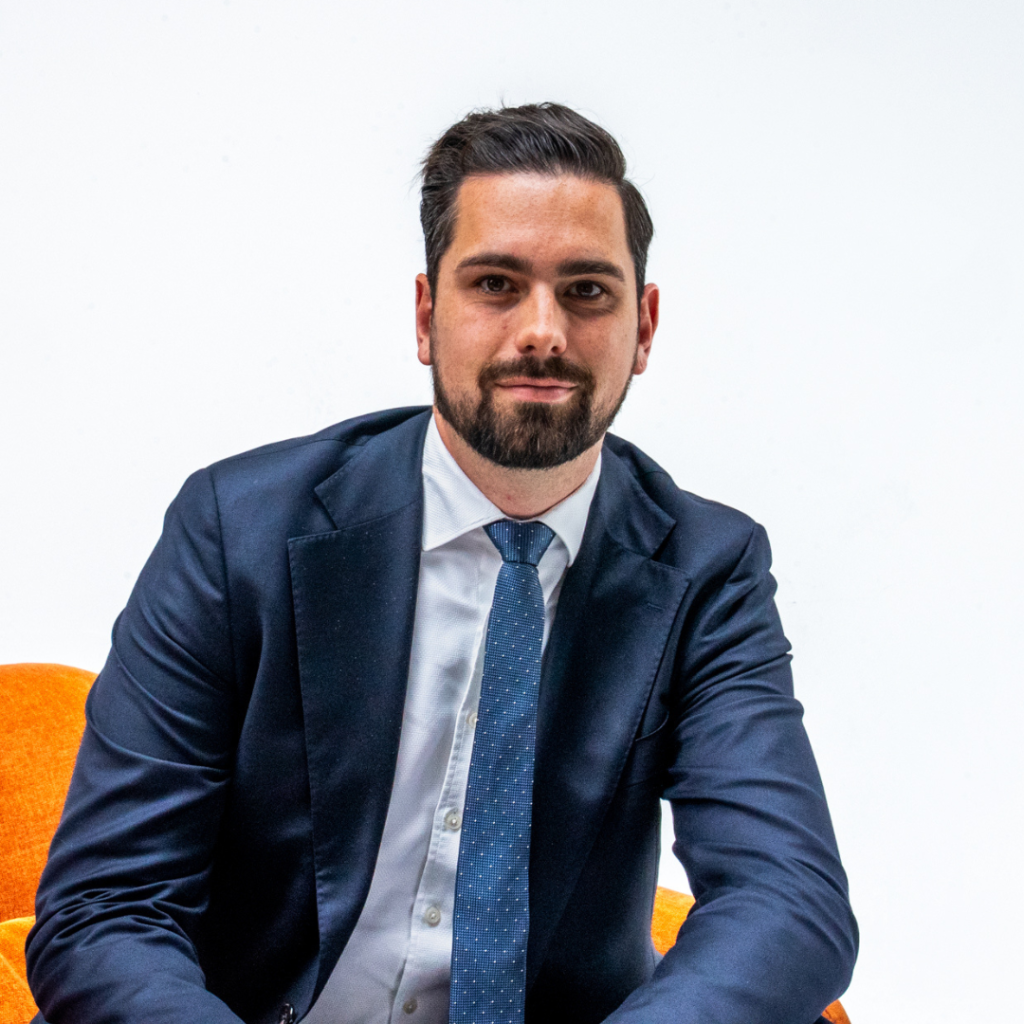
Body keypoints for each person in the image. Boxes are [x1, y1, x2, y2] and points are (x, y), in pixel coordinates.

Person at [27, 103, 857, 1024]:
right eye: (496, 284)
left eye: (587, 291)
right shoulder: (239, 530)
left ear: (645, 327)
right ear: (427, 317)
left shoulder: (706, 572)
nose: (542, 332)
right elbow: (104, 909)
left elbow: (788, 902)